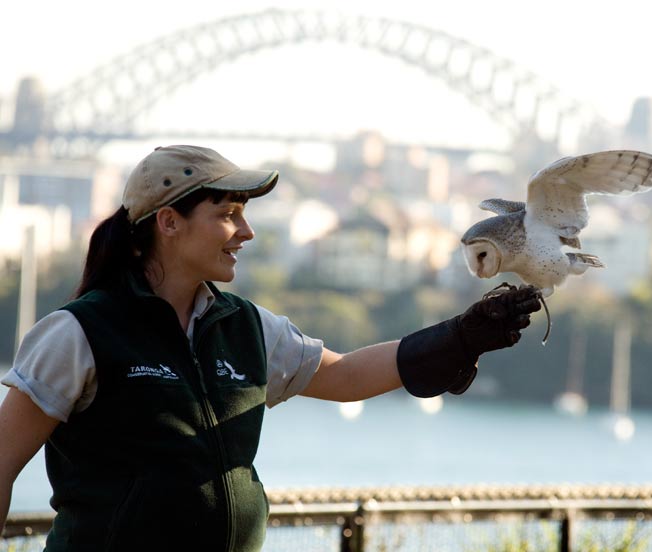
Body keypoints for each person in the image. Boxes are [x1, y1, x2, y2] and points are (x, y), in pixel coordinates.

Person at [0, 145, 541, 551]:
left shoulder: (249, 327)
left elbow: (348, 375)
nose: (246, 232)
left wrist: (459, 338)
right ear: (168, 222)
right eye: (228, 214)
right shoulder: (77, 333)